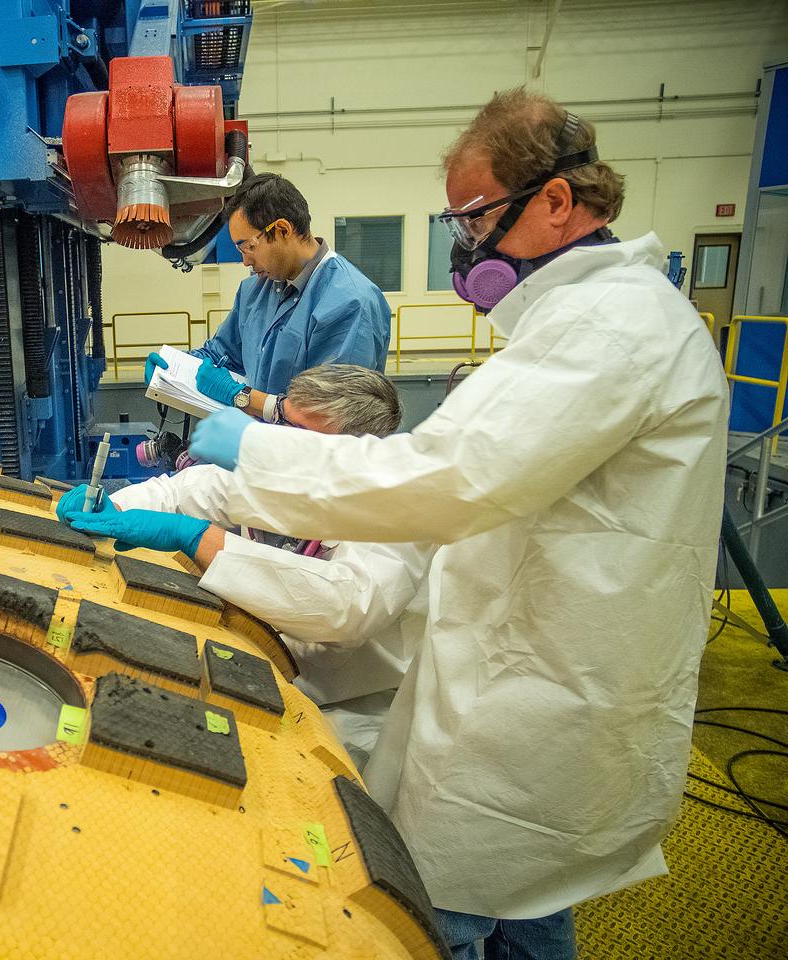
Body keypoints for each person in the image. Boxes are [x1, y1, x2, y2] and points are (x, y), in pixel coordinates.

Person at [185, 88, 729, 959]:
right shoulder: (584, 320)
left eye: (475, 218)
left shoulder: (611, 326)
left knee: (452, 901)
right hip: (529, 669)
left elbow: (448, 477)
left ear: (557, 201)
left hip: (543, 687)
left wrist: (259, 449)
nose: (466, 245)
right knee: (530, 895)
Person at [60, 365, 434, 767]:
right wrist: (114, 506)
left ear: (347, 455)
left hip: (342, 704)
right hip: (252, 662)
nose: (277, 440)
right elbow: (187, 491)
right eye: (282, 422)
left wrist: (199, 539)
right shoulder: (277, 471)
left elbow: (345, 607)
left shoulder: (400, 511)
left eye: (300, 435)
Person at [144, 173, 391, 424]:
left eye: (249, 247)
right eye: (240, 250)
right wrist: (173, 367)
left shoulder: (351, 303)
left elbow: (332, 418)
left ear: (282, 230)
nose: (245, 261)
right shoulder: (254, 291)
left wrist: (240, 396)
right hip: (261, 442)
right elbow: (221, 353)